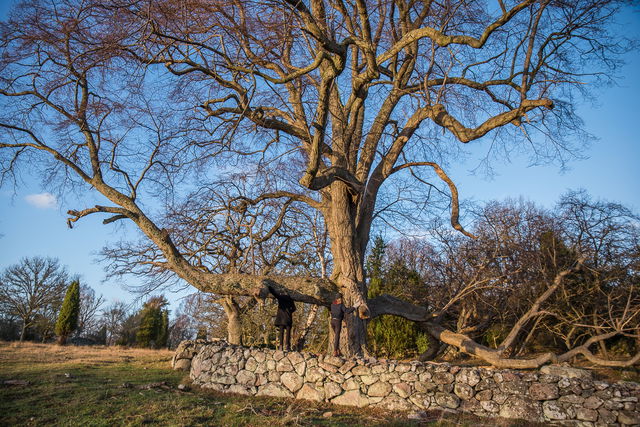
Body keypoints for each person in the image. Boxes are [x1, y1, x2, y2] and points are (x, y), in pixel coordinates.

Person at [267, 285, 296, 351]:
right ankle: (287, 346)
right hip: (288, 318)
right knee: (288, 333)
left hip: (281, 318)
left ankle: (281, 346)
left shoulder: (280, 298)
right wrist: (289, 311)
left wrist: (270, 287)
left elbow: (275, 293)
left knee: (281, 333)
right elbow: (294, 308)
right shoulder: (291, 299)